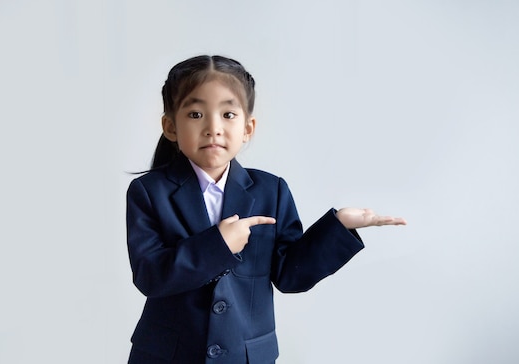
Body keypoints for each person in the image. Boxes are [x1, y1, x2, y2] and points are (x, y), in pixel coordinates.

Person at [126, 54, 406, 364]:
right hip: (168, 356)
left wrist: (339, 226)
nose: (213, 128)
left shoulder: (270, 190)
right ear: (170, 126)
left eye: (228, 114)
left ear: (248, 128)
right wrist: (218, 245)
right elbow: (150, 276)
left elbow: (290, 276)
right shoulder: (149, 192)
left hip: (245, 356)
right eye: (195, 114)